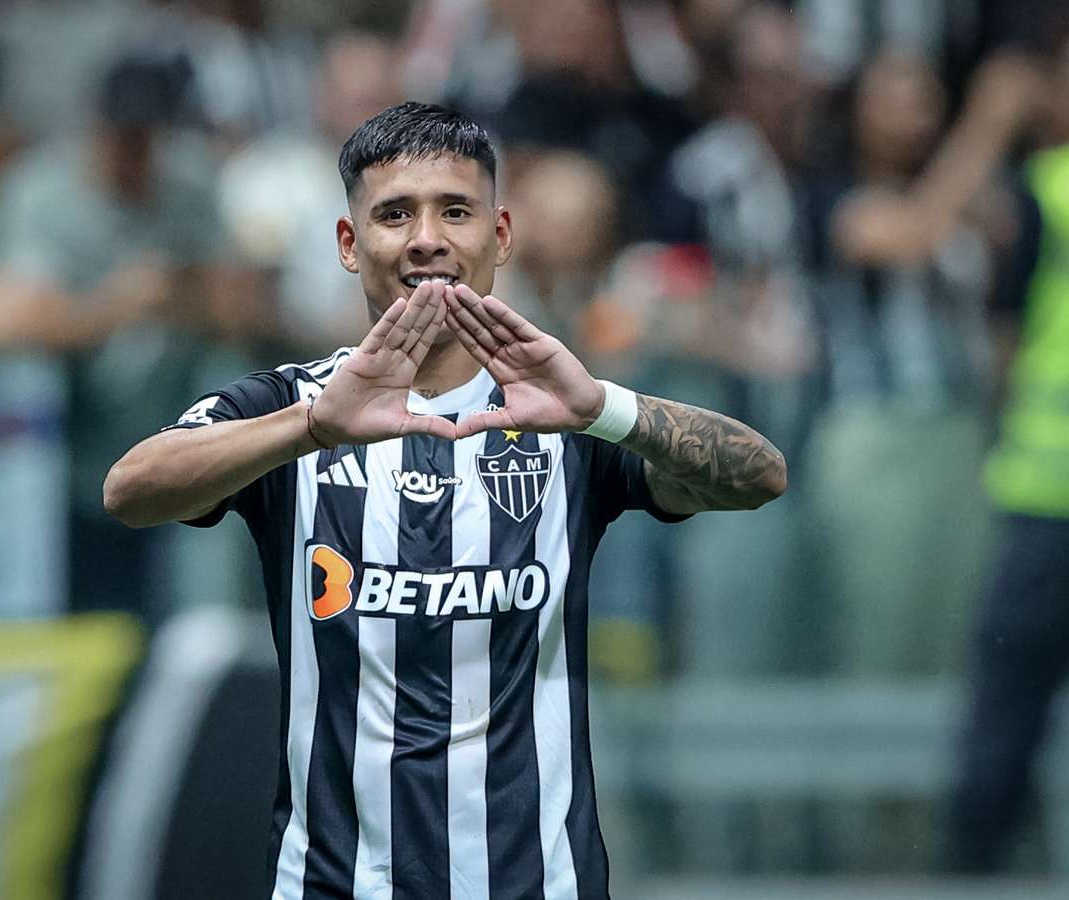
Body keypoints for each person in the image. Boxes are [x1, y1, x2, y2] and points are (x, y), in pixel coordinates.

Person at [103, 101, 786, 899]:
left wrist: (605, 407)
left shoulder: (565, 411)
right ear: (349, 244)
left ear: (500, 234)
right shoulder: (290, 407)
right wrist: (310, 428)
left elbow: (761, 475)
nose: (426, 238)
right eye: (395, 213)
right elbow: (130, 490)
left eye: (454, 211)